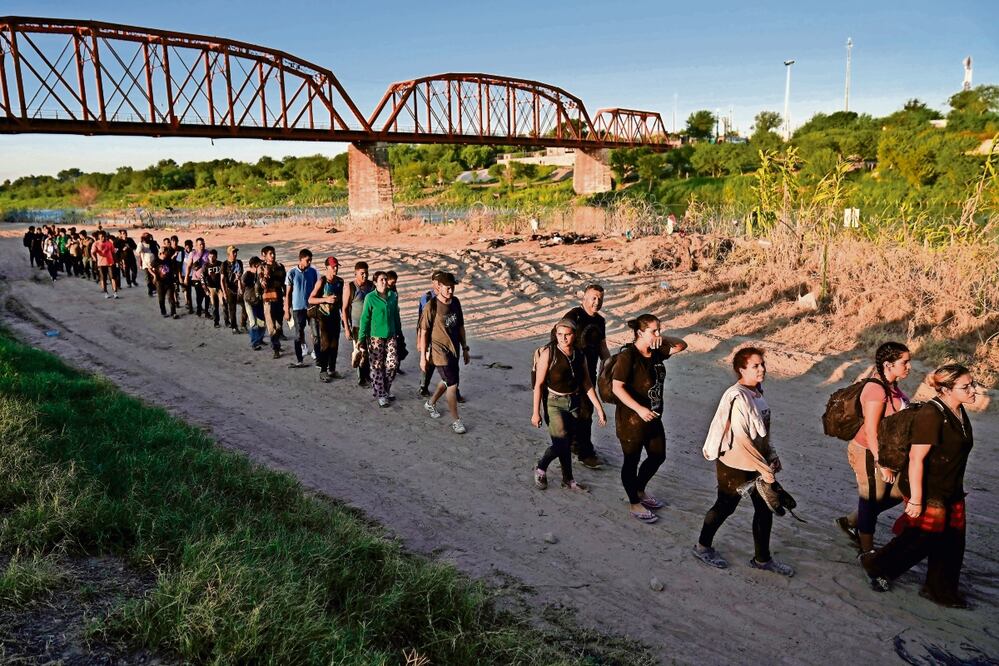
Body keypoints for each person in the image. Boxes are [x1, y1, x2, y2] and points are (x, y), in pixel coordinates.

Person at [862, 364, 977, 608]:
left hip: (952, 488)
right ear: (946, 389)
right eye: (966, 386)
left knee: (953, 540)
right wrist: (916, 499)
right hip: (928, 488)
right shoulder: (931, 415)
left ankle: (939, 589)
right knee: (922, 538)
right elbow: (916, 459)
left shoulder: (958, 411)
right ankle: (877, 565)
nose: (972, 390)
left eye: (972, 384)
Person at [692, 347, 793, 576]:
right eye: (755, 366)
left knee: (765, 510)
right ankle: (702, 547)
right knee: (725, 506)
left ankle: (762, 559)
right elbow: (743, 440)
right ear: (741, 369)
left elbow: (763, 433)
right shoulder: (738, 397)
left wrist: (772, 455)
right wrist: (765, 470)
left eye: (762, 364)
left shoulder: (757, 393)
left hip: (756, 463)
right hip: (735, 466)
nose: (762, 369)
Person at [610, 314, 687, 524]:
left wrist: (662, 337)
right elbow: (617, 388)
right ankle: (634, 502)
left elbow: (682, 345)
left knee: (657, 456)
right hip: (631, 419)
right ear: (640, 333)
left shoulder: (656, 352)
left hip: (653, 416)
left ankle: (640, 489)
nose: (658, 334)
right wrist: (639, 409)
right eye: (654, 331)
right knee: (631, 461)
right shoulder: (628, 356)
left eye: (659, 329)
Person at [836, 342, 911, 553]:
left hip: (886, 452)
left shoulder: (892, 386)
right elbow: (870, 431)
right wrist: (882, 463)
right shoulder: (875, 390)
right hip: (868, 452)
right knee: (870, 500)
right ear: (888, 364)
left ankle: (851, 521)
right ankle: (867, 553)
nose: (909, 366)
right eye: (904, 362)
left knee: (900, 491)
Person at [532, 318, 607, 492]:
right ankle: (541, 467)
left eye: (567, 335)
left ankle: (568, 479)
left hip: (573, 403)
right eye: (559, 334)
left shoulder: (579, 355)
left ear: (575, 335)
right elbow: (538, 385)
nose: (563, 338)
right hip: (554, 403)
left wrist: (599, 408)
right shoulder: (548, 353)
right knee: (561, 444)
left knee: (566, 442)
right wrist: (535, 412)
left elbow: (587, 383)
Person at [563, 284, 611, 470]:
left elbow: (602, 347)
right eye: (593, 297)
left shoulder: (600, 321)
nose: (596, 302)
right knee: (570, 411)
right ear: (584, 297)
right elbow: (559, 340)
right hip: (569, 373)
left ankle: (584, 451)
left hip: (589, 374)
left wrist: (609, 365)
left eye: (600, 298)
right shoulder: (573, 316)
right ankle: (574, 446)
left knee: (586, 412)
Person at [418, 272, 470, 434]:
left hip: (454, 349)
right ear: (438, 287)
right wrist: (423, 357)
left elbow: (460, 327)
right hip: (439, 352)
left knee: (448, 381)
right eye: (448, 288)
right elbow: (424, 331)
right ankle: (456, 421)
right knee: (453, 385)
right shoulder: (431, 306)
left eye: (453, 287)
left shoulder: (455, 302)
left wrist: (465, 348)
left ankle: (431, 403)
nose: (451, 291)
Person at [358, 271, 403, 407]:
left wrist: (399, 333)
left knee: (392, 364)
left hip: (391, 336)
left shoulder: (392, 296)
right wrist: (361, 338)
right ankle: (381, 394)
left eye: (385, 279)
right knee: (377, 366)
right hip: (375, 337)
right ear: (375, 282)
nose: (384, 282)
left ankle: (385, 389)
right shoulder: (370, 298)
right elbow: (365, 318)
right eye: (381, 280)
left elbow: (396, 316)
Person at [308, 256, 347, 382]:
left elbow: (342, 301)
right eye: (333, 266)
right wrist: (325, 299)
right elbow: (310, 299)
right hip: (323, 317)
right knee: (325, 344)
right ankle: (323, 371)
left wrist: (344, 316)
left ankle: (332, 369)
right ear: (326, 267)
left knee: (335, 344)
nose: (335, 268)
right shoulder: (322, 282)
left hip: (335, 316)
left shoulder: (340, 281)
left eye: (336, 266)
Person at [285, 249, 319, 368]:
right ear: (300, 260)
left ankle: (318, 357)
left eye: (310, 260)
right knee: (299, 334)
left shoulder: (313, 272)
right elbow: (288, 293)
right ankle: (300, 360)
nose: (309, 263)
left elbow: (317, 289)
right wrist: (286, 310)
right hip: (297, 308)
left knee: (316, 333)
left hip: (311, 307)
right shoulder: (292, 273)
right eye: (307, 260)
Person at [343, 261, 375, 386]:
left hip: (371, 326)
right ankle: (362, 378)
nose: (365, 276)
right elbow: (344, 309)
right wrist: (347, 328)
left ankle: (366, 376)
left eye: (366, 273)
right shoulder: (350, 287)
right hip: (357, 326)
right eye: (362, 273)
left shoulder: (372, 286)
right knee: (361, 351)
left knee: (370, 351)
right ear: (355, 273)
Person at [258, 245, 287, 359]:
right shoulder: (261, 268)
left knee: (279, 324)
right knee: (271, 326)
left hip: (279, 298)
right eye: (270, 254)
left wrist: (287, 298)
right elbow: (262, 284)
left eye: (274, 253)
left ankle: (277, 344)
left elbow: (284, 283)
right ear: (264, 256)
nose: (273, 256)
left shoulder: (280, 266)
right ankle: (276, 348)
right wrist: (265, 276)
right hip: (268, 299)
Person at [242, 256, 267, 350]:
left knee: (261, 322)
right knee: (253, 323)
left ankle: (260, 339)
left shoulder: (260, 275)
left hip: (258, 301)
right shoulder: (247, 275)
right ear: (255, 265)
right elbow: (244, 284)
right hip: (249, 301)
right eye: (259, 265)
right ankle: (254, 343)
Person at [220, 245, 245, 333]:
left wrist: (240, 287)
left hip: (238, 288)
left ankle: (243, 324)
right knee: (232, 309)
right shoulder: (224, 264)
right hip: (229, 289)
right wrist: (224, 292)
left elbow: (240, 276)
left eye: (236, 252)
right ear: (228, 254)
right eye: (233, 252)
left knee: (245, 305)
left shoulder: (239, 262)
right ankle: (234, 327)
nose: (235, 254)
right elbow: (222, 280)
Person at [151, 246, 180, 318]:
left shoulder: (169, 260)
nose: (167, 253)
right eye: (166, 252)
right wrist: (154, 275)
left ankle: (173, 313)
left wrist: (174, 279)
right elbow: (150, 268)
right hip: (160, 283)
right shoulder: (156, 261)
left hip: (169, 282)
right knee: (161, 298)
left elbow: (172, 270)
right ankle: (163, 312)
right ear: (161, 253)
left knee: (171, 297)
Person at [184, 238, 210, 318]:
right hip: (196, 278)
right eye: (200, 244)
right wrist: (186, 277)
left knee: (207, 295)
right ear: (196, 245)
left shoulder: (208, 253)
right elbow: (188, 266)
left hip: (206, 278)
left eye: (203, 243)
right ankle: (199, 308)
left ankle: (206, 311)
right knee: (199, 295)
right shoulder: (193, 254)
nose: (202, 245)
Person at [91, 230, 119, 298]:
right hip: (101, 264)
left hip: (110, 263)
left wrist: (116, 261)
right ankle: (106, 292)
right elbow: (92, 252)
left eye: (104, 236)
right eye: (101, 237)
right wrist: (95, 258)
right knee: (103, 278)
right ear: (98, 237)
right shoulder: (96, 243)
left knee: (113, 277)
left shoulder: (109, 243)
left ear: (106, 236)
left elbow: (113, 253)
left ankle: (115, 292)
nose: (102, 238)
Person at [203, 249, 224, 328]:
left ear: (216, 256)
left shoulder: (220, 264)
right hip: (211, 288)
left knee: (224, 304)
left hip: (220, 287)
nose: (211, 258)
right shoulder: (205, 265)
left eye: (213, 256)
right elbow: (202, 278)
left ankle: (227, 321)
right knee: (215, 306)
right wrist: (205, 289)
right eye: (210, 256)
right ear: (208, 257)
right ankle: (216, 322)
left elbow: (224, 277)